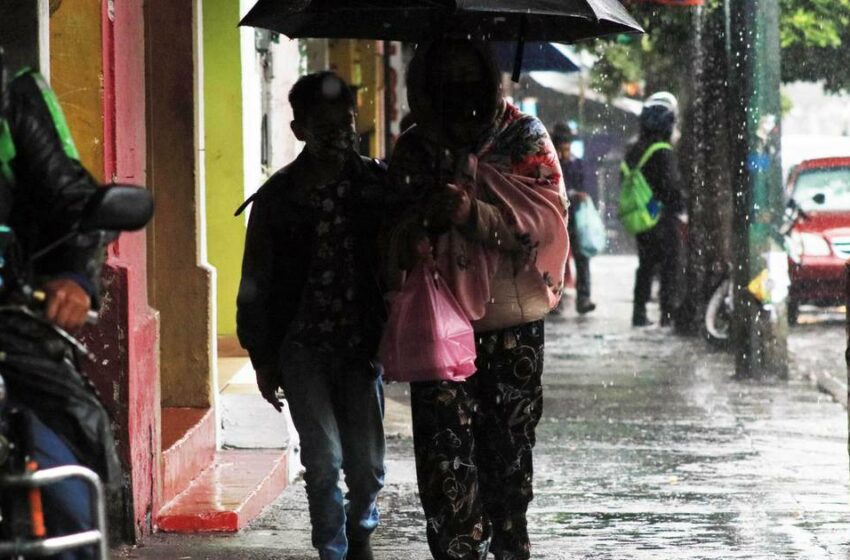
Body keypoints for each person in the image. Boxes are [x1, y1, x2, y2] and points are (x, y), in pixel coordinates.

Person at [387, 39, 569, 560]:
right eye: (447, 77)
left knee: (507, 455)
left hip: (512, 323)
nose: (460, 90)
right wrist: (422, 224)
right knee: (445, 457)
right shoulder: (415, 148)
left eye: (471, 76)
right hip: (439, 327)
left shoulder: (523, 138)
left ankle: (509, 544)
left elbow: (545, 225)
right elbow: (390, 229)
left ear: (489, 79)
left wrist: (474, 214)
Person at [236, 72, 387, 560]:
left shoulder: (376, 186)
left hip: (362, 345)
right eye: (323, 126)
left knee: (366, 468)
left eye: (344, 123)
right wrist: (262, 358)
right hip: (301, 349)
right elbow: (255, 282)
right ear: (299, 129)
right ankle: (333, 550)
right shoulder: (278, 198)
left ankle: (361, 526)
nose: (337, 134)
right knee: (324, 461)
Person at [0, 52, 121, 560]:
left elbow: (75, 202)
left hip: (8, 325)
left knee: (70, 479)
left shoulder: (15, 96)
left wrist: (74, 279)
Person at [624, 92, 686, 327]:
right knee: (670, 264)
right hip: (662, 217)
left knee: (646, 265)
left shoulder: (635, 150)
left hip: (642, 217)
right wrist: (680, 206)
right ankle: (667, 314)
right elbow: (671, 186)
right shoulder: (662, 151)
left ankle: (639, 313)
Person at [552, 122, 595, 314]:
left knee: (581, 258)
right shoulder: (550, 164)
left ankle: (583, 298)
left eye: (567, 148)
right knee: (555, 260)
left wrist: (577, 195)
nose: (565, 153)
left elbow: (585, 188)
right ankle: (554, 299)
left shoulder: (576, 164)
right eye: (562, 149)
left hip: (575, 219)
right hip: (555, 220)